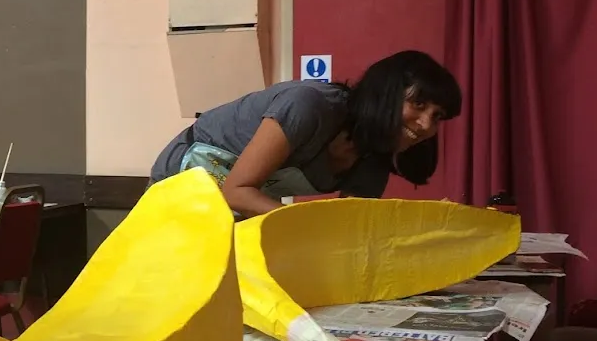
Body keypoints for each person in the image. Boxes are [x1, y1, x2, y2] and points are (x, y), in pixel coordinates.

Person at [148, 50, 461, 217]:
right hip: (182, 181)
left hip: (239, 205)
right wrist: (306, 227)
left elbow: (348, 227)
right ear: (387, 93)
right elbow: (237, 191)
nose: (425, 125)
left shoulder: (373, 159)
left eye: (437, 117)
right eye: (417, 104)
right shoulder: (308, 106)